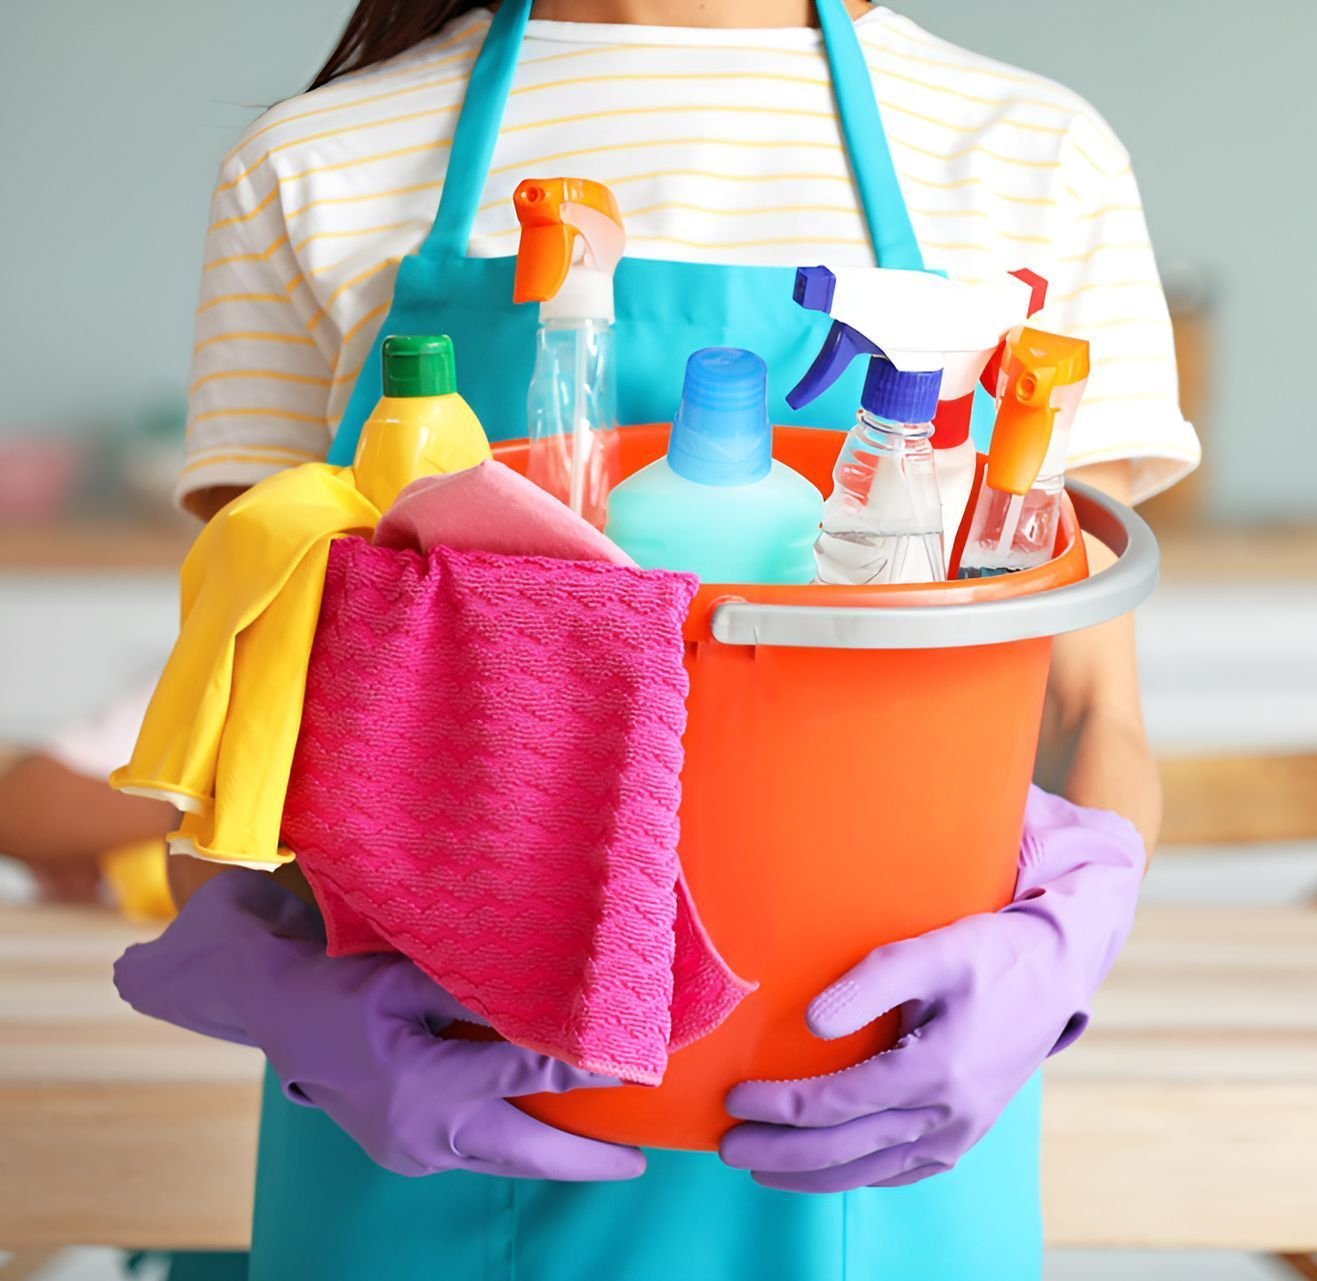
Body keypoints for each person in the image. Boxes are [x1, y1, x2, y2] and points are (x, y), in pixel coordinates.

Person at [116, 1, 1199, 1278]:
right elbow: (241, 733)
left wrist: (1070, 943)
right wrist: (276, 979)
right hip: (434, 1141)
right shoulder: (318, 165)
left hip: (867, 1126)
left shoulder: (1031, 152)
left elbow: (1090, 716)